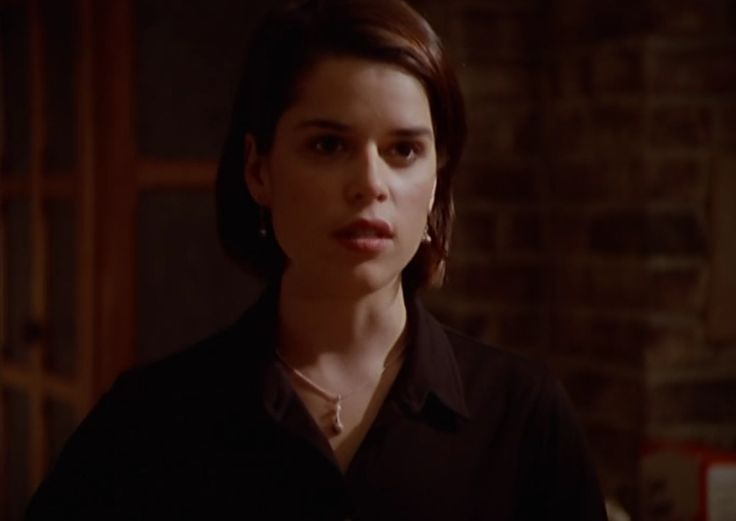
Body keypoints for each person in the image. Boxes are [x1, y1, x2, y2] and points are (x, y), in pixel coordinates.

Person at [25, 0, 607, 519]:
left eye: (404, 150)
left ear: (436, 181)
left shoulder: (522, 416)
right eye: (329, 145)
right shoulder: (152, 422)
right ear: (259, 169)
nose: (370, 184)